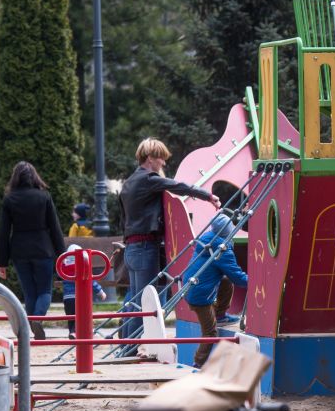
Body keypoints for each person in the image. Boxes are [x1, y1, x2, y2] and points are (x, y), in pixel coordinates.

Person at [120, 138, 219, 336]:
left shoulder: (128, 183)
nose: (164, 163)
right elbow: (178, 186)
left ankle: (126, 345)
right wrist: (208, 196)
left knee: (135, 303)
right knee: (145, 305)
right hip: (145, 248)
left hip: (131, 249)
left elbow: (123, 218)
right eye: (161, 158)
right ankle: (130, 347)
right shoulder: (148, 179)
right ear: (150, 158)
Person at [0, 161, 66, 340]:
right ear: (34, 177)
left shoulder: (10, 199)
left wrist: (2, 261)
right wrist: (63, 255)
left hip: (20, 250)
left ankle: (31, 327)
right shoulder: (44, 197)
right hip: (43, 249)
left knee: (29, 292)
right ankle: (38, 319)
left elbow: (4, 232)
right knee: (45, 291)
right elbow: (55, 228)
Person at [182, 180, 249, 368]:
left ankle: (220, 314)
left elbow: (230, 277)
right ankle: (197, 364)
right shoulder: (222, 249)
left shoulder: (206, 240)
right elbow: (238, 277)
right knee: (210, 333)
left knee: (226, 280)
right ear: (228, 232)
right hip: (200, 297)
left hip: (191, 286)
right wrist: (256, 282)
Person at [59, 245, 108, 340]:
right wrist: (100, 292)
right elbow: (91, 281)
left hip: (67, 298)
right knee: (81, 316)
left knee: (71, 317)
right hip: (80, 297)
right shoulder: (82, 266)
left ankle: (72, 332)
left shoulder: (63, 266)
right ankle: (77, 332)